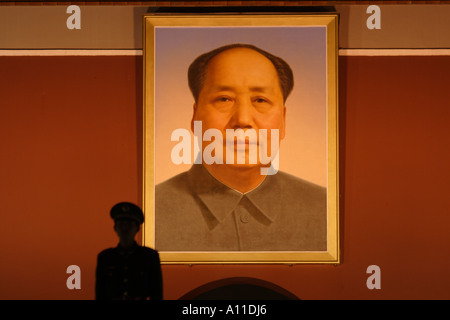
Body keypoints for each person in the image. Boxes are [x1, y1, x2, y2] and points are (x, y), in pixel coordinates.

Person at [155, 43, 326, 251]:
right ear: (195, 117)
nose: (243, 119)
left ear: (283, 120)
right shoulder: (152, 210)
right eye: (224, 99)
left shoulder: (323, 209)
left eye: (260, 100)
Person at [96, 202, 163, 300]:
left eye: (129, 225)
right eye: (121, 224)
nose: (125, 229)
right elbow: (100, 294)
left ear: (137, 228)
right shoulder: (105, 257)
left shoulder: (149, 257)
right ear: (115, 228)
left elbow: (157, 294)